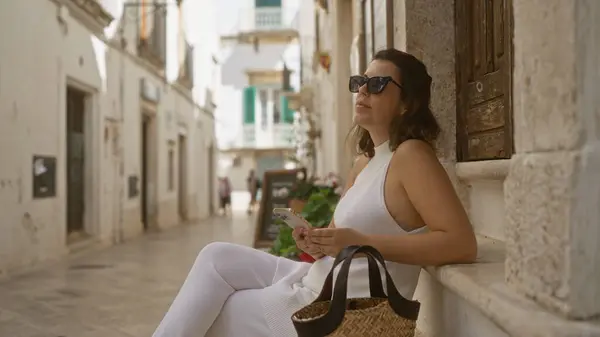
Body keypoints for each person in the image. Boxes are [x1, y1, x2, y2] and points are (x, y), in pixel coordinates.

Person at [152, 49, 478, 337]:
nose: (362, 90)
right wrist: (317, 241)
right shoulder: (365, 162)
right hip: (315, 278)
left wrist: (359, 243)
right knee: (215, 256)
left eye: (377, 85)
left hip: (338, 307)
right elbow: (339, 237)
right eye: (358, 81)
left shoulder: (412, 156)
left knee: (222, 311)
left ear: (407, 103)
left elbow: (461, 243)